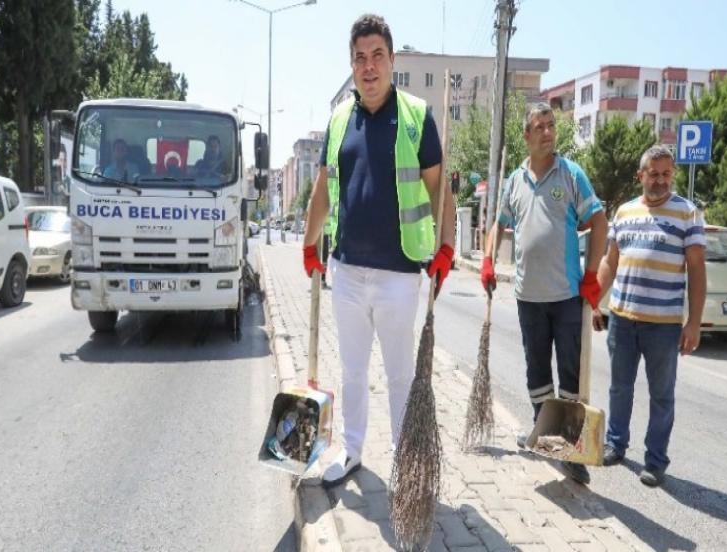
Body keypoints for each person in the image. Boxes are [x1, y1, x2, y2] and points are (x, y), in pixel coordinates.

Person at [302, 14, 456, 488]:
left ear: (392, 61)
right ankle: (350, 451)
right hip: (346, 271)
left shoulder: (415, 117)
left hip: (398, 274)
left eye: (377, 57)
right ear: (352, 65)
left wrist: (446, 247)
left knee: (399, 374)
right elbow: (323, 190)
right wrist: (310, 245)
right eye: (359, 58)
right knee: (351, 370)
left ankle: (403, 459)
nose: (368, 67)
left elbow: (440, 192)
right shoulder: (338, 120)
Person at [481, 102, 607, 485]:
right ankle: (543, 431)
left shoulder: (570, 174)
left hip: (567, 295)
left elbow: (599, 222)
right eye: (540, 126)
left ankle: (570, 451)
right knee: (537, 371)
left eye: (551, 125)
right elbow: (498, 225)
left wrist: (591, 277)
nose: (548, 132)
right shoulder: (514, 181)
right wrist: (487, 261)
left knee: (570, 375)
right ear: (527, 135)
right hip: (528, 297)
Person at [592, 144, 706, 487]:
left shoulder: (687, 214)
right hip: (623, 319)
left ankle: (655, 461)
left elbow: (697, 270)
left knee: (662, 395)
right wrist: (594, 301)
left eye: (666, 174)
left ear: (673, 175)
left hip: (664, 325)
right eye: (653, 174)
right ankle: (616, 444)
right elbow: (610, 262)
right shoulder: (624, 212)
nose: (660, 181)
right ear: (641, 175)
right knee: (619, 388)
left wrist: (694, 322)